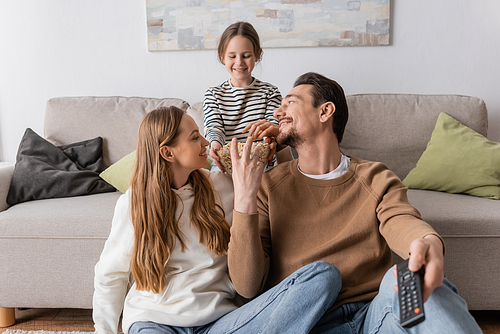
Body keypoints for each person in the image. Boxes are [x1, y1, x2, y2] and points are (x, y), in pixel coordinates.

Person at [227, 72, 483, 333]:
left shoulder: (375, 177)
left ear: (325, 111)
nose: (278, 112)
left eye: (290, 102)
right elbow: (247, 286)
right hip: (307, 323)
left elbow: (401, 220)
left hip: (373, 317)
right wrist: (244, 197)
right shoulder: (267, 185)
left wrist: (426, 243)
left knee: (411, 279)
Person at [93, 106, 341, 334]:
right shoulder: (133, 203)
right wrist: (104, 331)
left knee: (322, 276)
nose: (205, 142)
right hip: (155, 322)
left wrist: (280, 145)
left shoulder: (222, 185)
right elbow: (110, 275)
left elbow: (282, 191)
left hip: (220, 324)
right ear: (167, 152)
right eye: (194, 138)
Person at [204, 21, 282, 172]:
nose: (239, 62)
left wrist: (271, 139)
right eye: (232, 56)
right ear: (222, 57)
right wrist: (214, 143)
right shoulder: (213, 94)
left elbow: (273, 126)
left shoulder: (270, 92)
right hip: (226, 165)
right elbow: (214, 127)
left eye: (246, 55)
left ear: (258, 54)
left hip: (260, 164)